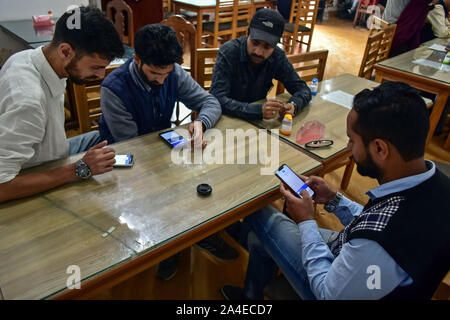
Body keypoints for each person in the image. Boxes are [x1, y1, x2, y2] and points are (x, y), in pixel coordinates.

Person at [221, 81, 450, 300]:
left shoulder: (379, 245)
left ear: (380, 148)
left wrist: (307, 221)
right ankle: (251, 294)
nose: (349, 147)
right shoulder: (435, 184)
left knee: (260, 214)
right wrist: (334, 199)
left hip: (331, 286)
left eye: (352, 140)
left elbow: (326, 292)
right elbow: (377, 221)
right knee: (261, 240)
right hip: (357, 258)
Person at [98, 24, 237, 281]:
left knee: (200, 179)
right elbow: (132, 147)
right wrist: (173, 166)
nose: (161, 80)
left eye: (166, 73)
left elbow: (210, 102)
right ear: (136, 59)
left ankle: (196, 233)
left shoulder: (172, 73)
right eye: (153, 73)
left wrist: (201, 124)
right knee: (165, 189)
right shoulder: (113, 88)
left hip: (159, 149)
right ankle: (170, 246)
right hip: (122, 159)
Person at [0, 6, 125, 204]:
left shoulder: (31, 58)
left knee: (107, 136)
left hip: (48, 150)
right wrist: (78, 169)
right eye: (96, 67)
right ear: (66, 50)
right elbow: (2, 187)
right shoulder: (29, 100)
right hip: (31, 171)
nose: (101, 76)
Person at [210, 8, 311, 122]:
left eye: (267, 47)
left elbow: (303, 89)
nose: (258, 52)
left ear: (276, 44)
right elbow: (217, 98)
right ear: (247, 34)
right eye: (255, 42)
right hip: (227, 120)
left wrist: (294, 105)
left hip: (259, 124)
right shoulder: (229, 52)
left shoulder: (277, 56)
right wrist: (257, 110)